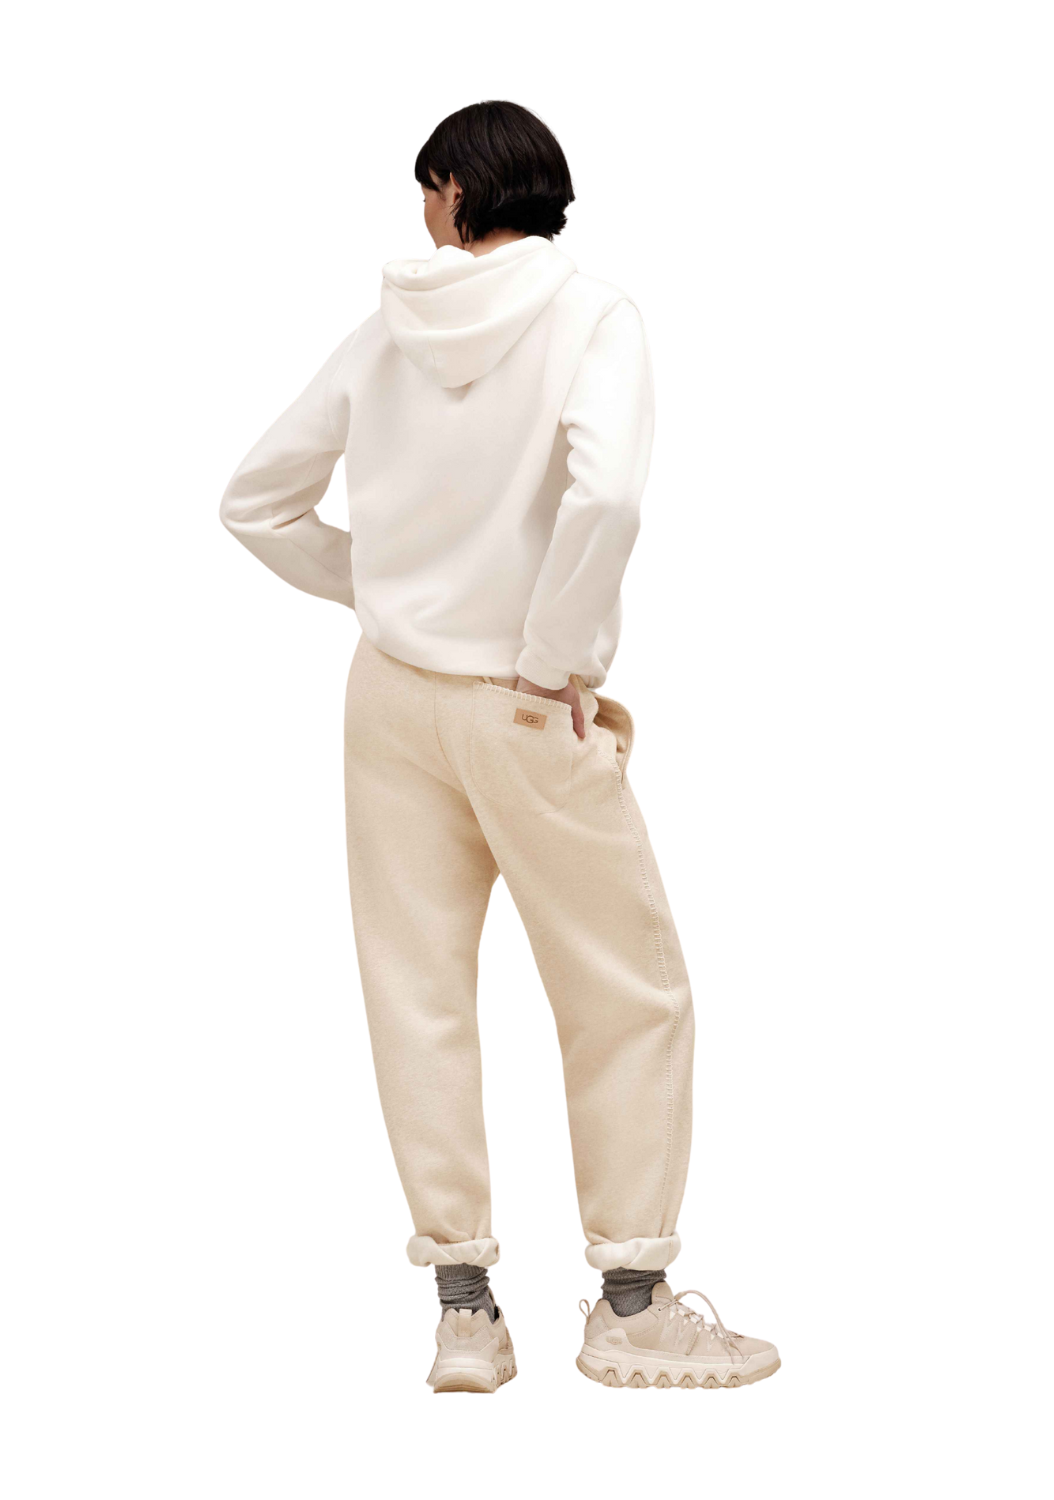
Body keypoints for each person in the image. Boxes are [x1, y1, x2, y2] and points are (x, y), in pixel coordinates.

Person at [220, 100, 778, 1393]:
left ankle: (464, 1314)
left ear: (461, 190)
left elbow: (255, 501)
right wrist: (550, 652)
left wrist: (386, 592)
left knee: (415, 988)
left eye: (428, 187)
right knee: (623, 988)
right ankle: (632, 1305)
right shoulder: (593, 317)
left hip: (390, 699)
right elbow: (610, 490)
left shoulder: (385, 332)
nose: (422, 211)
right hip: (525, 706)